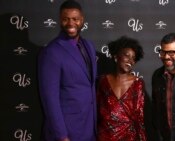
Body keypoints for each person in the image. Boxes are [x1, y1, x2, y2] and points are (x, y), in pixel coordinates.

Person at [38, 0, 97, 141]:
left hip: (90, 128)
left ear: (82, 20)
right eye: (66, 19)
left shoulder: (88, 45)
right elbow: (49, 99)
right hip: (68, 131)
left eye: (75, 19)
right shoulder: (51, 52)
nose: (71, 23)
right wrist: (61, 135)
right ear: (60, 20)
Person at [96, 36, 147, 141]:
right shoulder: (102, 81)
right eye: (127, 55)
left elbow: (139, 117)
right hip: (105, 135)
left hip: (128, 136)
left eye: (133, 58)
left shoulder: (138, 83)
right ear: (116, 57)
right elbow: (96, 110)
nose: (130, 60)